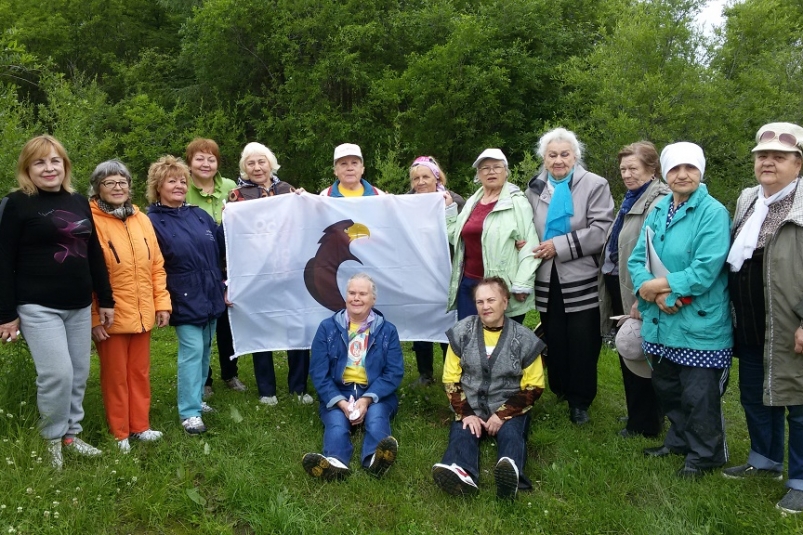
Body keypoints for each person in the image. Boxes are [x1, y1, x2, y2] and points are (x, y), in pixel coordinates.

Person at [0, 135, 114, 469]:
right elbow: (3, 260)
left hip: (78, 304)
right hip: (37, 305)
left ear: (64, 165)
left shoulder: (79, 201)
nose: (48, 168)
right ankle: (51, 440)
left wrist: (104, 299)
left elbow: (94, 251)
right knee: (58, 374)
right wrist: (6, 314)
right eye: (39, 162)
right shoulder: (16, 204)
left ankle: (70, 434)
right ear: (27, 168)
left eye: (55, 161)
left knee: (78, 373)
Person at [628, 142, 733, 479]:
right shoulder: (659, 209)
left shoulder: (713, 212)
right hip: (662, 320)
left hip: (698, 322)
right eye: (675, 169)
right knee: (668, 386)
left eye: (690, 168)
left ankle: (706, 454)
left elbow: (705, 270)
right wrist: (652, 292)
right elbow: (636, 259)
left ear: (700, 172)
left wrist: (657, 289)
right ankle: (679, 439)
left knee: (698, 393)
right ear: (666, 174)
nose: (682, 174)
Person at [722, 122, 803, 513]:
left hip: (792, 322)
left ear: (798, 163)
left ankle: (801, 481)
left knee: (799, 403)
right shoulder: (748, 199)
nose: (767, 162)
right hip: (752, 321)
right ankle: (765, 460)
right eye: (761, 155)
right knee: (755, 395)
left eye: (779, 156)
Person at [526, 128, 614, 426]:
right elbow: (527, 226)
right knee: (555, 337)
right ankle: (560, 389)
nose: (559, 160)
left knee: (582, 341)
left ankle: (581, 401)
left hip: (580, 276)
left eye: (565, 154)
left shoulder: (594, 184)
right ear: (544, 158)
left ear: (576, 156)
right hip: (546, 276)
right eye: (552, 155)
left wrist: (558, 245)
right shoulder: (535, 187)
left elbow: (601, 231)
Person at [432, 277, 545, 500]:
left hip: (510, 405)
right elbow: (450, 379)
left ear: (505, 301)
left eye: (491, 300)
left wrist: (502, 415)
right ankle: (460, 472)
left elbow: (534, 385)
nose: (485, 306)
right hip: (470, 403)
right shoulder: (462, 331)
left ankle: (511, 475)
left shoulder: (524, 339)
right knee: (462, 433)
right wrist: (467, 413)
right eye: (480, 302)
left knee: (512, 435)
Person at [88, 160, 172, 452]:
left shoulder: (141, 218)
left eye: (122, 182)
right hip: (110, 316)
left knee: (139, 372)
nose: (118, 187)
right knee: (115, 376)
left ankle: (141, 426)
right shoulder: (91, 220)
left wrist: (162, 303)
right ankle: (120, 432)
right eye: (109, 183)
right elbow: (86, 274)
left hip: (142, 312)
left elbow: (156, 266)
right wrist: (94, 317)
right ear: (97, 188)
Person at [224, 142, 312, 405]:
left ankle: (298, 388)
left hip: (291, 271)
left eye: (261, 161)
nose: (257, 167)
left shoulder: (288, 190)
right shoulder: (236, 197)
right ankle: (267, 391)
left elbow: (306, 224)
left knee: (298, 327)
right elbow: (231, 240)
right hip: (256, 275)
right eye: (250, 163)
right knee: (260, 325)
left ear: (270, 164)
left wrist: (306, 202)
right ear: (244, 168)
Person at [146, 155, 226, 435]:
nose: (179, 186)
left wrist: (235, 216)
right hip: (182, 294)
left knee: (205, 349)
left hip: (211, 291)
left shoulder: (199, 214)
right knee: (191, 352)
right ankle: (189, 412)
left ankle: (197, 398)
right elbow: (153, 263)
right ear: (158, 186)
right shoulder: (151, 221)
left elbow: (221, 244)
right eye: (172, 181)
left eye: (183, 180)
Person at [303, 273, 403, 480]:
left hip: (375, 393)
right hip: (339, 392)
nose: (356, 298)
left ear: (373, 299)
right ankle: (335, 463)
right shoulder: (327, 328)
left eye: (362, 294)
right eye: (352, 293)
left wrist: (366, 400)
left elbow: (394, 373)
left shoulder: (388, 331)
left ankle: (375, 461)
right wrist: (340, 403)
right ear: (345, 296)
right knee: (337, 424)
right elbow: (319, 372)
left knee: (376, 419)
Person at [599, 142, 668, 438]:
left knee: (643, 353)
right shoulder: (632, 197)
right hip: (621, 282)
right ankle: (637, 417)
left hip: (641, 289)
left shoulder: (659, 200)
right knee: (629, 348)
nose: (627, 174)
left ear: (652, 170)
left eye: (633, 169)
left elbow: (658, 251)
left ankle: (647, 423)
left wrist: (643, 297)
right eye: (623, 169)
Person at [446, 148, 539, 325]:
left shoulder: (517, 202)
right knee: (470, 340)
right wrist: (449, 210)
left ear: (506, 172)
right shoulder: (473, 202)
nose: (491, 172)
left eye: (497, 167)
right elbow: (456, 236)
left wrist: (522, 283)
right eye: (485, 168)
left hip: (502, 287)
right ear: (478, 175)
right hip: (469, 284)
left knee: (502, 345)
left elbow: (530, 245)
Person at [183, 138, 240, 398]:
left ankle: (231, 373)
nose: (206, 164)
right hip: (199, 267)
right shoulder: (182, 187)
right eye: (199, 158)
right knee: (203, 321)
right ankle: (205, 379)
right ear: (190, 163)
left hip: (228, 265)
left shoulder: (229, 186)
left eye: (211, 159)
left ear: (218, 163)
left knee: (228, 323)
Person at [407, 155, 465, 387]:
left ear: (437, 177)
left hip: (446, 272)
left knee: (448, 323)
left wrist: (449, 207)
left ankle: (451, 373)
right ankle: (425, 374)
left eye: (425, 176)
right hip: (417, 274)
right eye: (416, 178)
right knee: (421, 322)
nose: (420, 182)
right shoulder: (405, 203)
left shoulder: (455, 200)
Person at [320, 143, 385, 196]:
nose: (350, 168)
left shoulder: (379, 196)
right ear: (335, 171)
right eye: (344, 164)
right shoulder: (324, 198)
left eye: (354, 163)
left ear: (362, 169)